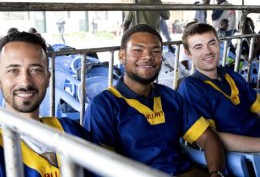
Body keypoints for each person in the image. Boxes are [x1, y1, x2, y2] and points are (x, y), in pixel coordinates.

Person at [84, 24, 226, 176]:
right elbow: (102, 164)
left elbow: (208, 138)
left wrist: (216, 173)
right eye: (138, 50)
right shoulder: (104, 105)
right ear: (122, 56)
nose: (148, 56)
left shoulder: (170, 97)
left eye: (156, 51)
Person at [0, 32, 91, 176]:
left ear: (48, 78)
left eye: (35, 70)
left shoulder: (70, 130)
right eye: (13, 71)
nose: (25, 82)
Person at [178, 22, 260, 153]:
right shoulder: (191, 87)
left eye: (212, 43)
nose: (208, 51)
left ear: (219, 43)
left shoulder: (230, 74)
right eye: (198, 47)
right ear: (188, 53)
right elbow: (211, 138)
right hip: (244, 156)